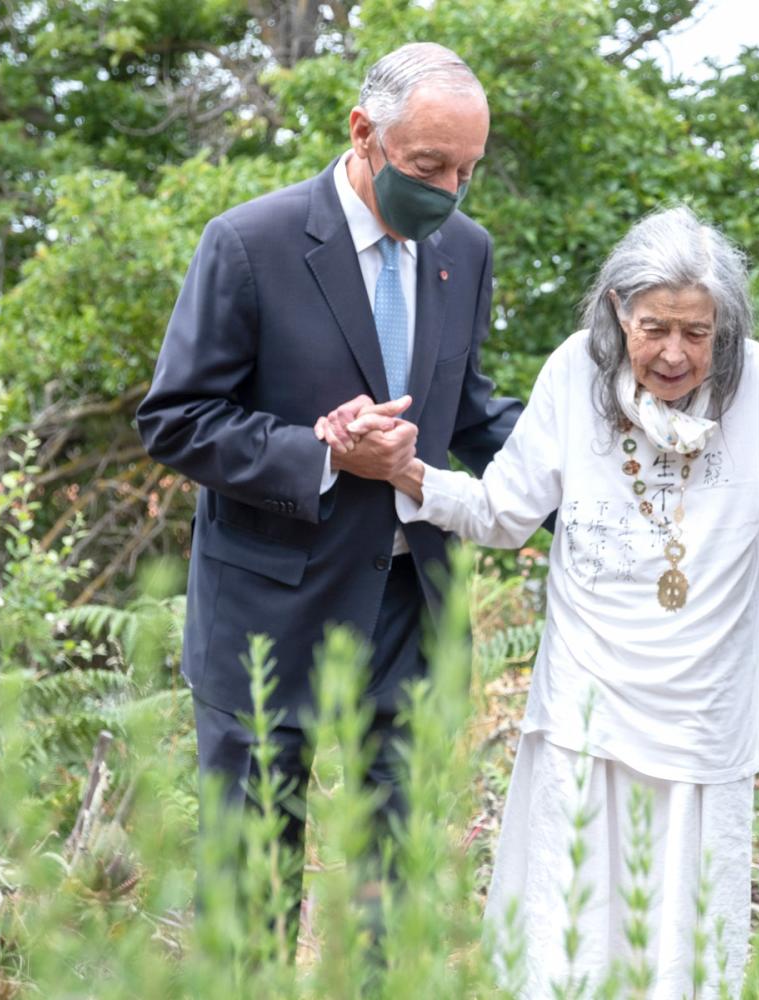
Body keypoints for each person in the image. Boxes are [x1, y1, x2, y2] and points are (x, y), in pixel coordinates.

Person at [337, 205, 759, 997]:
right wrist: (406, 475)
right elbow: (502, 510)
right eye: (654, 326)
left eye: (697, 334)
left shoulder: (755, 379)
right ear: (619, 310)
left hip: (704, 709)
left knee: (686, 944)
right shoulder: (572, 373)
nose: (673, 353)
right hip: (584, 706)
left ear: (723, 329)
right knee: (569, 933)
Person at [135, 43, 522, 943]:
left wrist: (596, 451)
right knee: (255, 877)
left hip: (410, 602)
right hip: (270, 604)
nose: (452, 191)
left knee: (400, 874)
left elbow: (467, 405)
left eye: (469, 168)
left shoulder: (464, 250)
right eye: (431, 167)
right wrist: (319, 451)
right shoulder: (248, 242)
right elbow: (177, 419)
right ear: (364, 135)